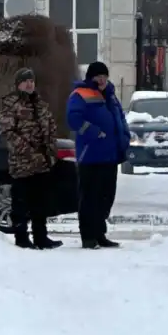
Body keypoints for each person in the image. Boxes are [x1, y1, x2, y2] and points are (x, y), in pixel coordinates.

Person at [66, 61, 130, 249]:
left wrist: (124, 136)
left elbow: (120, 117)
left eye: (104, 76)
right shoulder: (80, 95)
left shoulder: (111, 95)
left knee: (106, 197)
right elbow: (73, 119)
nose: (102, 80)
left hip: (110, 155)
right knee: (89, 197)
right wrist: (93, 132)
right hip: (91, 155)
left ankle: (100, 233)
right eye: (98, 77)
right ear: (91, 78)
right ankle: (88, 236)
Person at [0, 68, 62, 249]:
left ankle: (41, 237)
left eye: (32, 81)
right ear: (18, 84)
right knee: (21, 204)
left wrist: (50, 151)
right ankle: (22, 238)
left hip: (42, 163)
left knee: (40, 203)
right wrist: (28, 151)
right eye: (25, 81)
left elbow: (50, 127)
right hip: (22, 164)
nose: (29, 84)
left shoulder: (40, 104)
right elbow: (7, 133)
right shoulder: (11, 104)